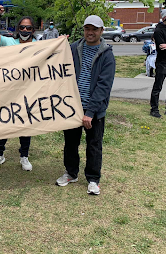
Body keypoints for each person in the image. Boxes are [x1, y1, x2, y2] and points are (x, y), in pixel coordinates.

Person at [56, 15, 115, 196]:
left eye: (94, 29)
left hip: (94, 111)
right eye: (87, 29)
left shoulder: (107, 55)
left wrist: (90, 112)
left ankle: (93, 179)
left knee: (94, 145)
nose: (90, 33)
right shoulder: (73, 48)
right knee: (70, 143)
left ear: (101, 31)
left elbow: (103, 87)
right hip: (73, 107)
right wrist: (58, 45)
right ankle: (71, 173)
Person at [0, 4, 36, 171]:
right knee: (4, 122)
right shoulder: (9, 42)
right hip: (8, 92)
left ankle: (24, 156)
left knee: (25, 125)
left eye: (28, 27)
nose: (25, 30)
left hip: (28, 92)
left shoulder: (39, 45)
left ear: (33, 30)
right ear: (17, 29)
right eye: (22, 27)